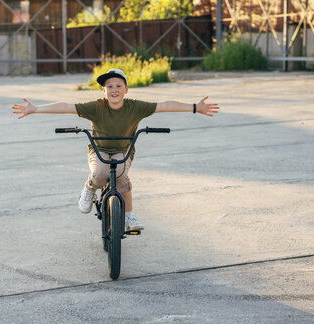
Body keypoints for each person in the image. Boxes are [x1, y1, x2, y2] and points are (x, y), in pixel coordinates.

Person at [12, 68, 219, 231]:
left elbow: (164, 105)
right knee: (101, 173)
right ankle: (90, 188)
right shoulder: (97, 107)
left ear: (126, 89)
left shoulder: (135, 107)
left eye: (118, 85)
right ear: (104, 91)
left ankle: (129, 217)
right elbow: (67, 106)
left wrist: (194, 107)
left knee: (121, 178)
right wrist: (35, 109)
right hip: (99, 149)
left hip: (123, 150)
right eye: (109, 86)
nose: (114, 90)